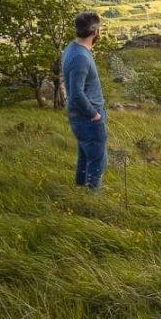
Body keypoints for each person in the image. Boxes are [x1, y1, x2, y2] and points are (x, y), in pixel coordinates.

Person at [62, 11, 107, 190]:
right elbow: (76, 93)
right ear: (95, 32)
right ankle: (91, 198)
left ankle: (80, 191)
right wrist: (94, 114)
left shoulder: (71, 48)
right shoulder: (80, 57)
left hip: (81, 116)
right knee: (97, 161)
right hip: (87, 117)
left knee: (85, 157)